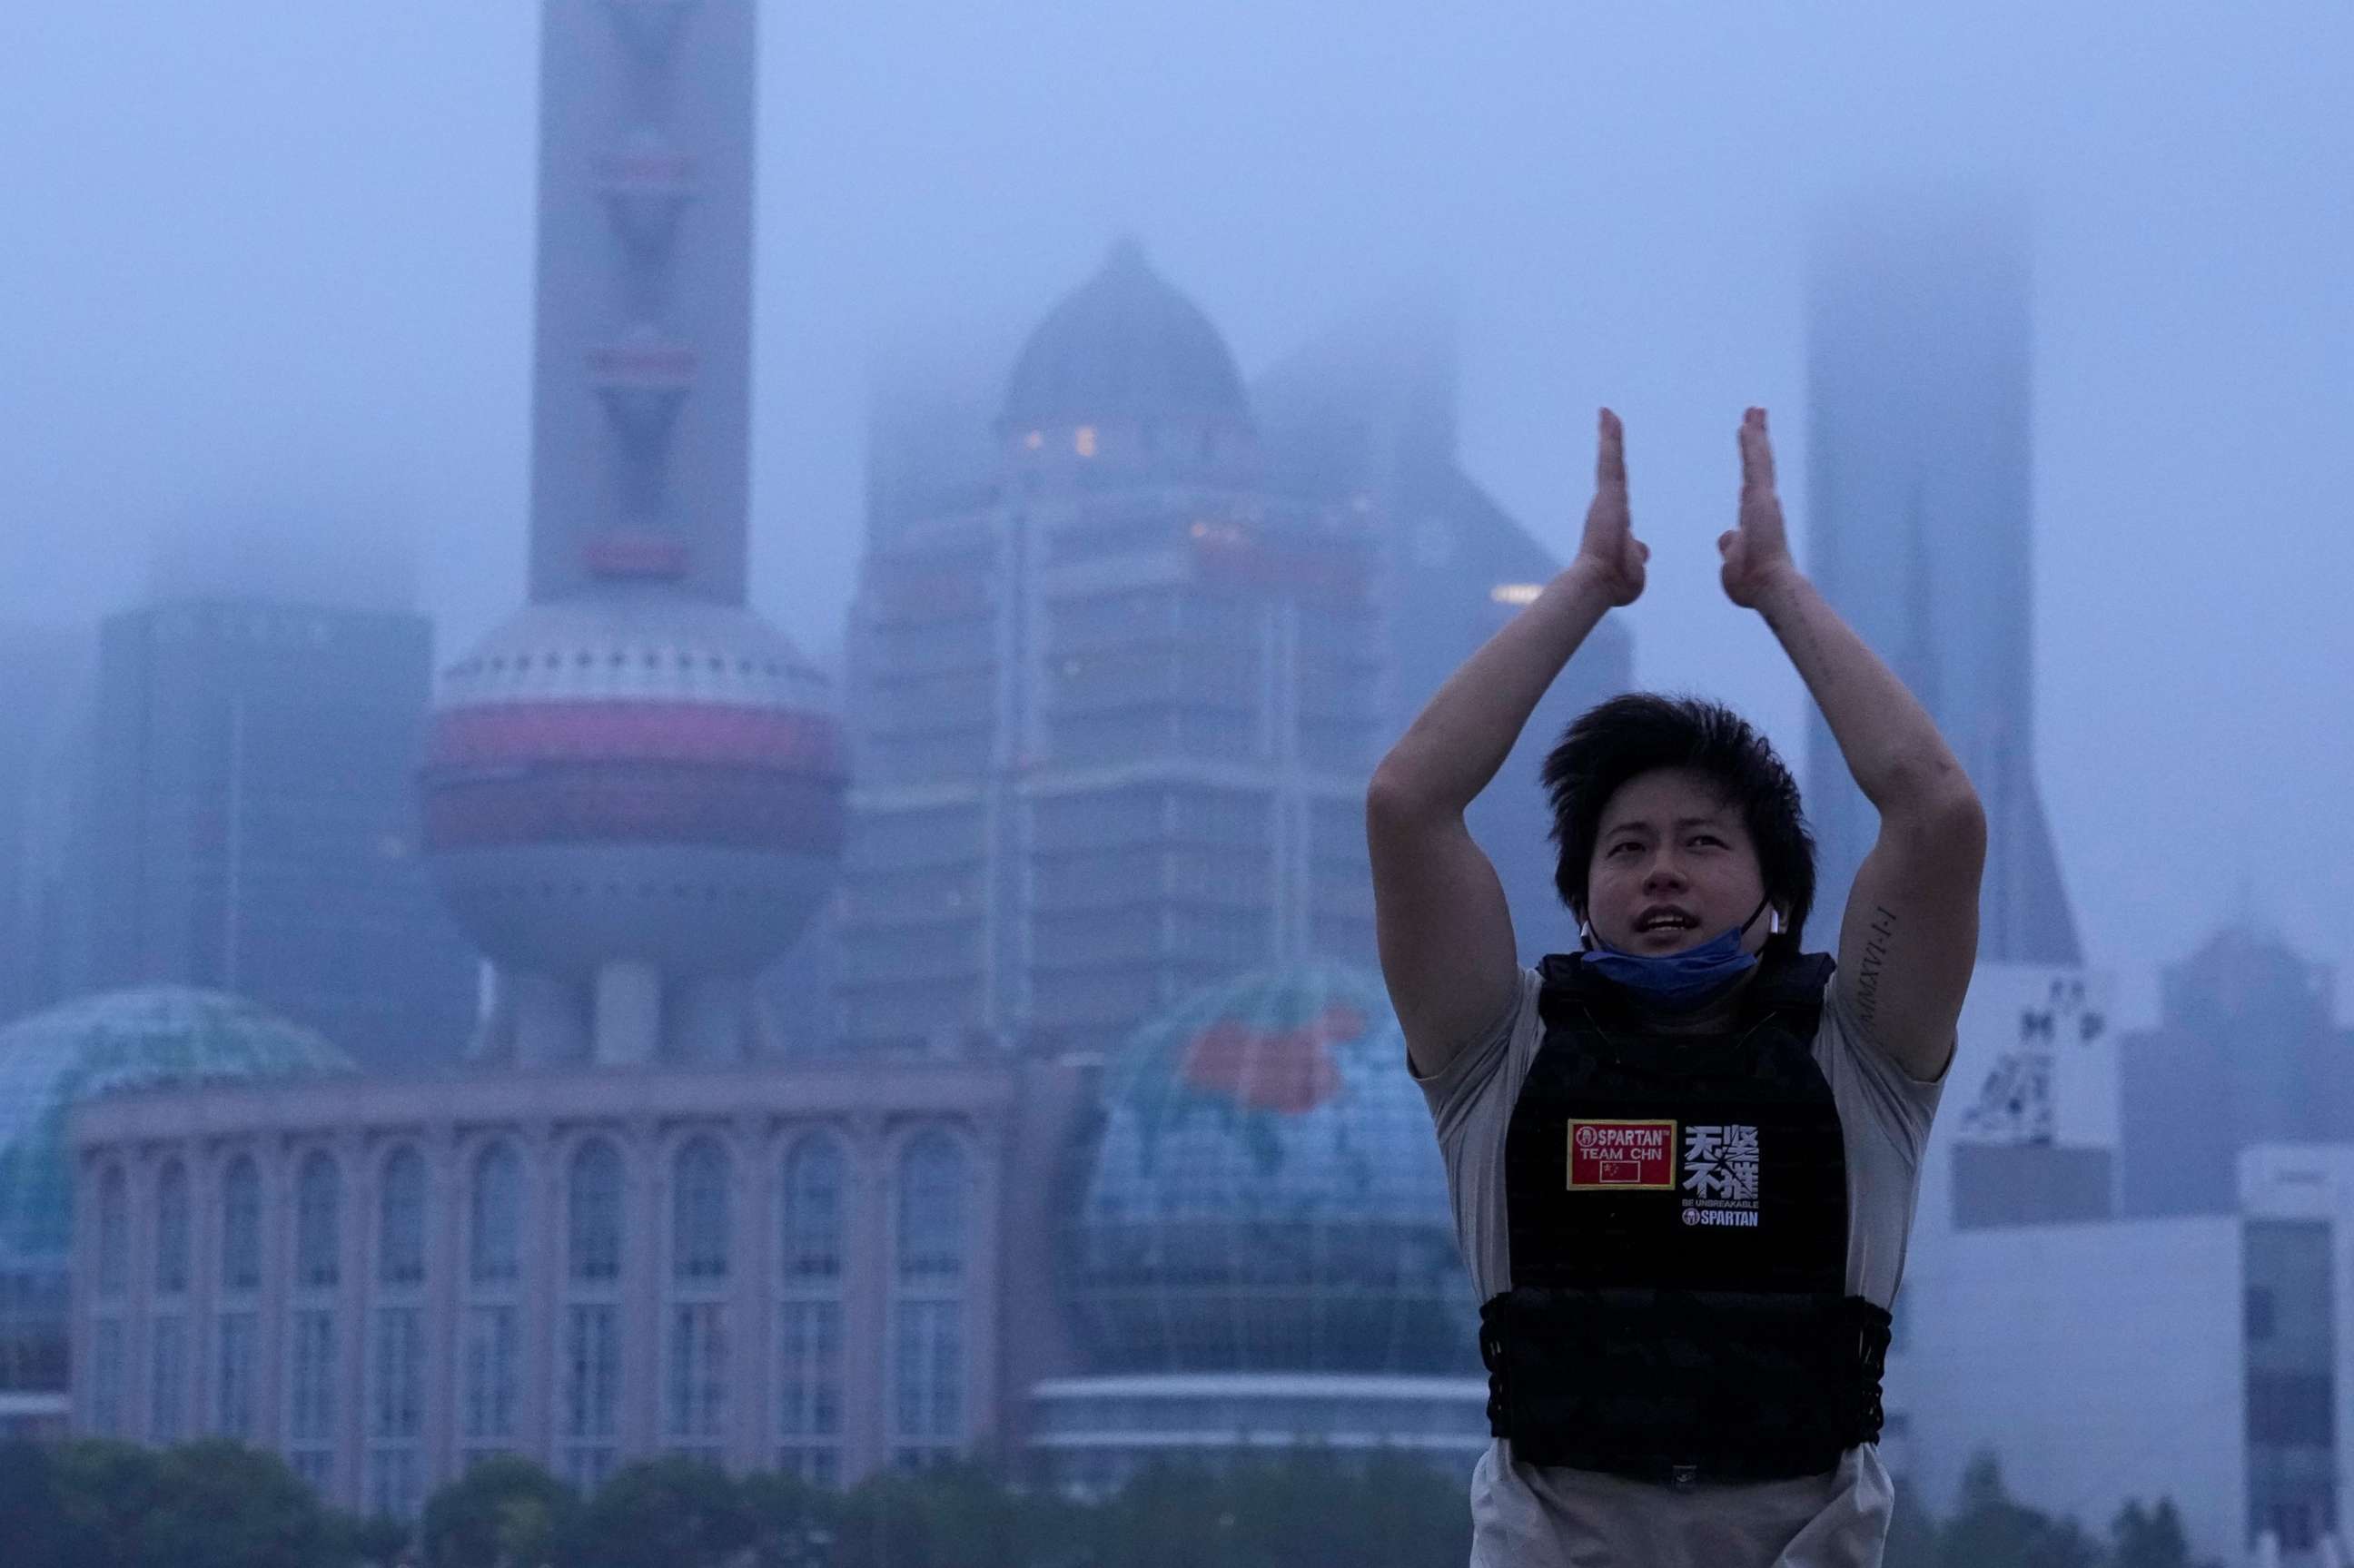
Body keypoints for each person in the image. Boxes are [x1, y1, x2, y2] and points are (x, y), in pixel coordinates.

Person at [1366, 408, 1986, 1567]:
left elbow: (1937, 814)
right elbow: (1408, 804)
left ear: (1777, 894)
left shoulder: (1864, 1055)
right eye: (1626, 846)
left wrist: (1776, 585)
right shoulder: (1493, 1052)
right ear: (1583, 892)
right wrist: (1592, 584)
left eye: (1703, 842)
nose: (1660, 869)